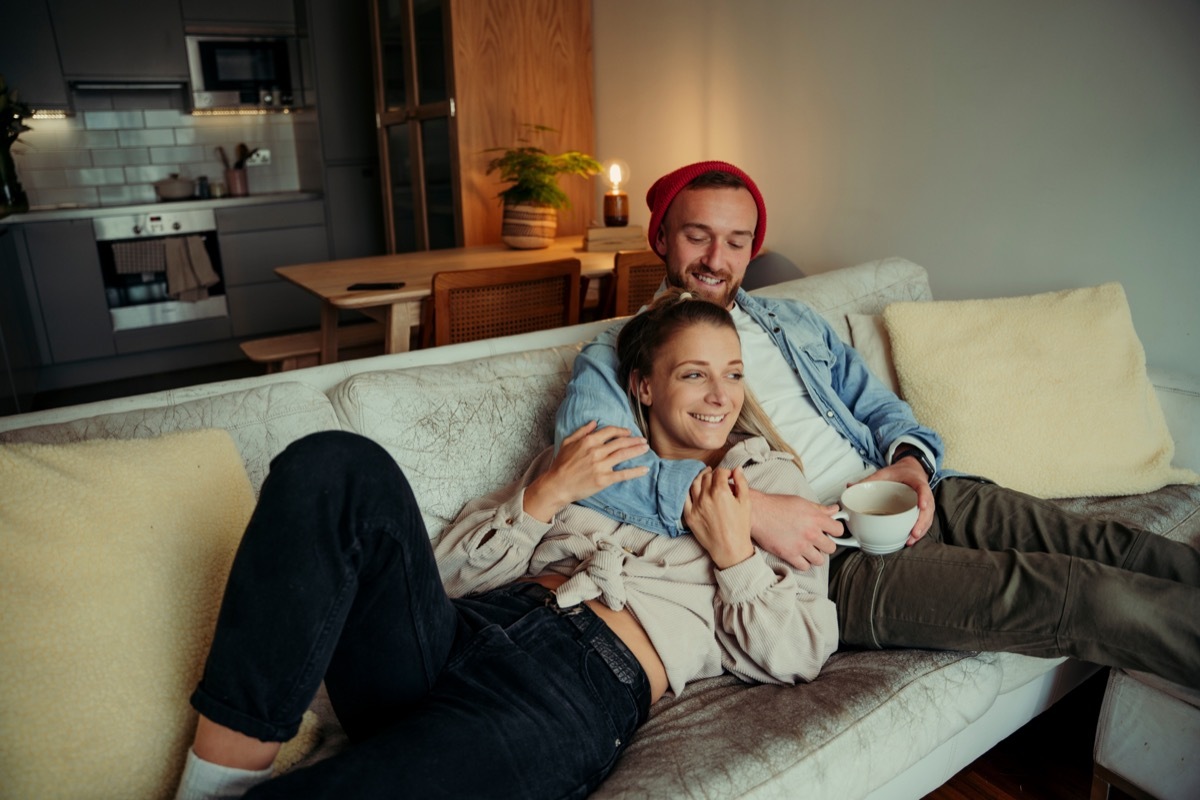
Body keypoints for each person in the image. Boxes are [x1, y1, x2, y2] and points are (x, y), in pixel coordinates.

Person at [555, 160, 1200, 689]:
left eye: (737, 240)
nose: (716, 258)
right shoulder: (619, 353)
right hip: (832, 560)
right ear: (662, 238)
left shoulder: (796, 323)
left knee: (1110, 545)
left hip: (913, 492)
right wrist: (753, 513)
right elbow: (596, 475)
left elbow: (881, 407)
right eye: (698, 235)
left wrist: (911, 462)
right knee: (1082, 596)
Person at [174, 291, 840, 800]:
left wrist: (737, 558)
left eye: (733, 373)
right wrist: (543, 495)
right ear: (644, 385)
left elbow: (802, 651)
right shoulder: (589, 453)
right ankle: (216, 780)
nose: (721, 396)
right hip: (461, 631)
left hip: (578, 684)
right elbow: (445, 581)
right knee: (332, 464)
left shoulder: (764, 482)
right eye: (694, 374)